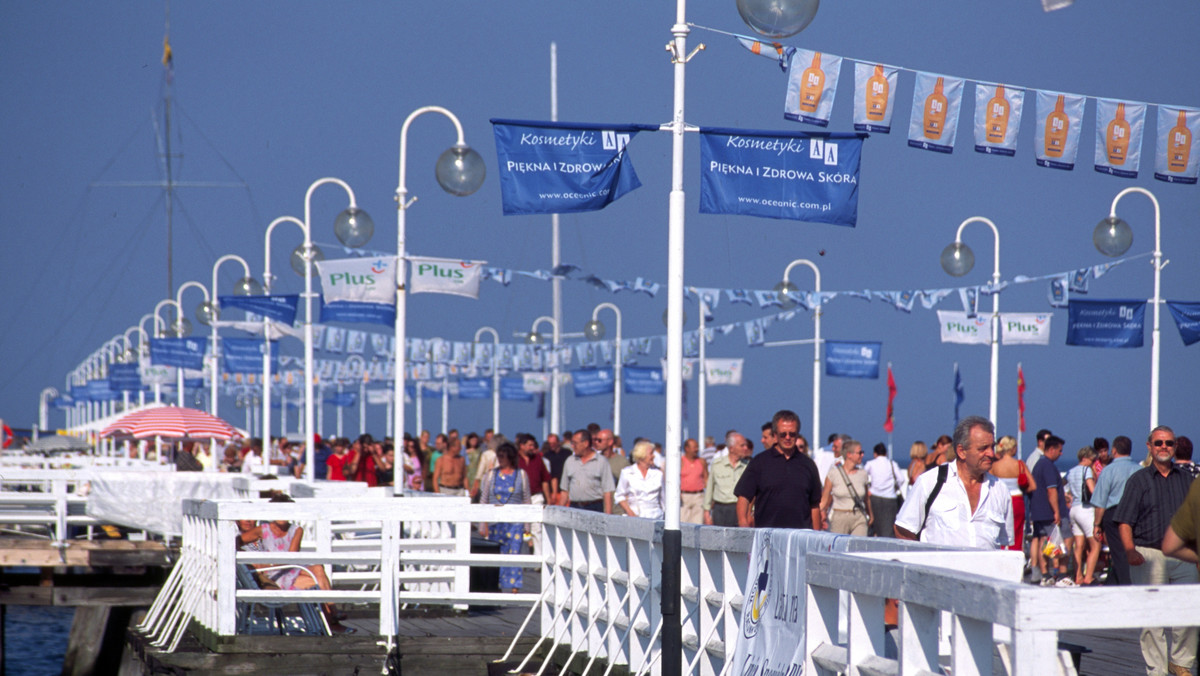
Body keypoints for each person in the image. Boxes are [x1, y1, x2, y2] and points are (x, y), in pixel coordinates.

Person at [1112, 426, 1197, 676]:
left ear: (1174, 448)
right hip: (1148, 555)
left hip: (1183, 556)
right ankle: (1157, 671)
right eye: (1158, 443)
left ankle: (1181, 663)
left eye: (1168, 443)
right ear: (1149, 446)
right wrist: (1129, 551)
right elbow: (1125, 520)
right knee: (1152, 619)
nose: (1164, 448)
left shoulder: (1186, 480)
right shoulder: (1138, 480)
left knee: (1190, 611)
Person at [895, 416, 1012, 549]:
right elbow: (903, 529)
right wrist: (924, 560)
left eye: (992, 447)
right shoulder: (930, 482)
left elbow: (1005, 543)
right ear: (962, 452)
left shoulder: (1000, 489)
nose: (991, 453)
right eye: (983, 448)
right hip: (940, 569)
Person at [239, 494, 352, 633]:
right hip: (272, 576)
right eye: (279, 512)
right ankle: (332, 616)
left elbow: (291, 556)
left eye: (287, 512)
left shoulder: (296, 530)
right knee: (315, 579)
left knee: (317, 570)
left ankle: (332, 618)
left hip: (289, 569)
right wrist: (251, 560)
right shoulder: (263, 529)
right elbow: (236, 541)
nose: (283, 515)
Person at [734, 410, 822, 529]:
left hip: (800, 537)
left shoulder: (808, 465)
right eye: (783, 434)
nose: (787, 437)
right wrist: (743, 523)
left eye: (792, 434)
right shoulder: (759, 462)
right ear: (775, 435)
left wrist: (816, 536)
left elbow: (815, 505)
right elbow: (744, 496)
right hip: (767, 536)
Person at [478, 442, 532, 593]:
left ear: (511, 457)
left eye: (503, 456)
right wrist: (483, 524)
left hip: (516, 522)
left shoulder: (521, 475)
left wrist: (528, 527)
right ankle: (498, 586)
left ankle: (515, 587)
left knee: (515, 552)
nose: (500, 459)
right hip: (496, 521)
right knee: (498, 554)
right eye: (498, 456)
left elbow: (527, 499)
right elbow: (484, 499)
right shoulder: (491, 475)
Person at [1092, 435, 1139, 586]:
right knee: (1133, 549)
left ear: (1114, 450)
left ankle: (1125, 584)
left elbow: (1100, 501)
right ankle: (1113, 582)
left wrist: (1097, 524)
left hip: (1114, 514)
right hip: (1136, 513)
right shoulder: (1140, 470)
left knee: (1118, 553)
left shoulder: (1108, 471)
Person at [1029, 435, 1068, 584]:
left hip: (1039, 511)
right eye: (1060, 450)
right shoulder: (1048, 466)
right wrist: (1057, 511)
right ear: (1052, 449)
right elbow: (1051, 490)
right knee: (1064, 541)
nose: (1061, 453)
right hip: (1049, 511)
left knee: (1044, 543)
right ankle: (1062, 574)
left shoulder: (1038, 464)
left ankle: (1045, 574)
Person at [988, 435, 1035, 553]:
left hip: (1000, 501)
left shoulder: (994, 466)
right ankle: (1015, 556)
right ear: (1012, 448)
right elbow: (1033, 486)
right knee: (1017, 532)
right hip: (1017, 501)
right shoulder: (1019, 464)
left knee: (1000, 531)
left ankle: (1001, 555)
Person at [820, 439, 872, 536]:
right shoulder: (833, 474)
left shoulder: (863, 474)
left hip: (859, 516)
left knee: (858, 547)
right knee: (839, 549)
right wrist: (820, 513)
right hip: (840, 517)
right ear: (849, 454)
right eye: (860, 453)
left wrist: (871, 515)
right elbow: (824, 499)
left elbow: (866, 498)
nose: (862, 455)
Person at [1065, 446, 1100, 585]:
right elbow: (1093, 490)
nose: (1093, 463)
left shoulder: (1070, 471)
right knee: (1095, 545)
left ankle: (1078, 576)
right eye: (1092, 460)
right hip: (1085, 509)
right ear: (1086, 458)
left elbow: (1064, 489)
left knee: (1078, 546)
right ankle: (1088, 577)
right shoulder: (1087, 470)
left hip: (1073, 509)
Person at [559, 428, 615, 513]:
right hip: (574, 507)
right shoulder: (569, 461)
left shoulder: (601, 461)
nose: (572, 446)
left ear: (585, 443)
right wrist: (558, 511)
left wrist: (608, 516)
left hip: (594, 507)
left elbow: (607, 492)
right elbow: (564, 491)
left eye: (575, 443)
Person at [704, 431, 750, 527]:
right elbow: (709, 488)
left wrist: (751, 512)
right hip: (720, 509)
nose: (746, 448)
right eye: (742, 446)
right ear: (732, 448)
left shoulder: (747, 466)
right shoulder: (717, 464)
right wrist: (706, 513)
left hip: (740, 509)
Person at [614, 440, 666, 519]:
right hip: (633, 517)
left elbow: (663, 499)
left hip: (656, 516)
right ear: (642, 455)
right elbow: (619, 496)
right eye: (651, 453)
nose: (654, 456)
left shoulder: (658, 474)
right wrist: (631, 513)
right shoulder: (627, 473)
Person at [864, 442, 903, 538]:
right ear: (886, 453)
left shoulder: (871, 464)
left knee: (875, 524)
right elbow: (901, 479)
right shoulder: (892, 464)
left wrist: (869, 488)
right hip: (890, 498)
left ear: (875, 454)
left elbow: (863, 476)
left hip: (874, 497)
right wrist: (895, 487)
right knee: (888, 527)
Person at [679, 438, 708, 524]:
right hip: (684, 497)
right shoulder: (681, 461)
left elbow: (706, 477)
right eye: (694, 447)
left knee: (698, 523)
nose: (697, 449)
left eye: (697, 447)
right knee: (683, 522)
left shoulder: (701, 461)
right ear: (687, 448)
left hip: (698, 496)